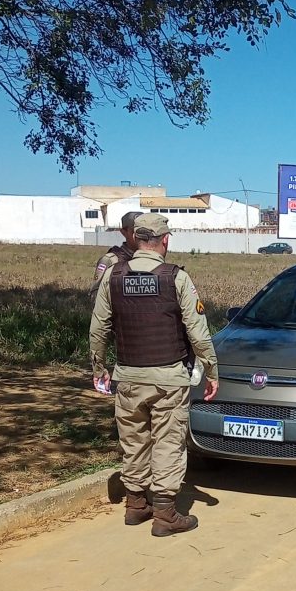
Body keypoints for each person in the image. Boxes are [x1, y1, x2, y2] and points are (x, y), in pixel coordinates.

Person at [89, 213, 219, 536]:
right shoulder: (175, 278)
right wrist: (212, 370)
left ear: (135, 238)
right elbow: (198, 333)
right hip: (168, 378)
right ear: (164, 241)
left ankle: (135, 504)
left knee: (133, 440)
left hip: (128, 376)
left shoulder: (113, 277)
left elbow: (98, 328)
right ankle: (165, 513)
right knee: (167, 441)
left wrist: (99, 367)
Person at [90, 211, 143, 295]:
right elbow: (95, 295)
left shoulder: (151, 258)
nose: (140, 235)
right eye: (135, 231)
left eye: (143, 231)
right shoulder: (111, 260)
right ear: (123, 232)